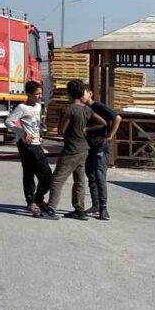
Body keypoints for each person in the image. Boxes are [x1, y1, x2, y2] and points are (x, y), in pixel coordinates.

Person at [47, 79, 106, 220]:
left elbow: (61, 130)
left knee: (57, 179)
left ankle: (51, 208)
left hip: (71, 149)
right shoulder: (87, 109)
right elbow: (103, 123)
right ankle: (79, 209)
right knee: (79, 180)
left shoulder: (69, 109)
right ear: (82, 93)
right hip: (84, 148)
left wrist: (62, 118)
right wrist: (86, 128)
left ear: (69, 93)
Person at [5, 81, 54, 218]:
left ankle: (38, 199)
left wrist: (42, 134)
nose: (39, 96)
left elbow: (37, 123)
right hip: (27, 145)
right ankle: (31, 201)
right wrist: (22, 132)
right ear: (29, 94)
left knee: (47, 175)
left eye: (40, 93)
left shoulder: (38, 106)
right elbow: (9, 121)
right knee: (29, 173)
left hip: (37, 143)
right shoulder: (21, 107)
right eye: (36, 94)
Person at [84, 85, 121, 221]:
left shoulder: (99, 107)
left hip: (100, 146)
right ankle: (95, 205)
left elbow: (117, 118)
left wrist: (110, 136)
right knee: (90, 174)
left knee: (99, 175)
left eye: (83, 94)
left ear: (90, 94)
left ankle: (103, 208)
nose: (81, 97)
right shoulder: (83, 108)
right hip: (89, 146)